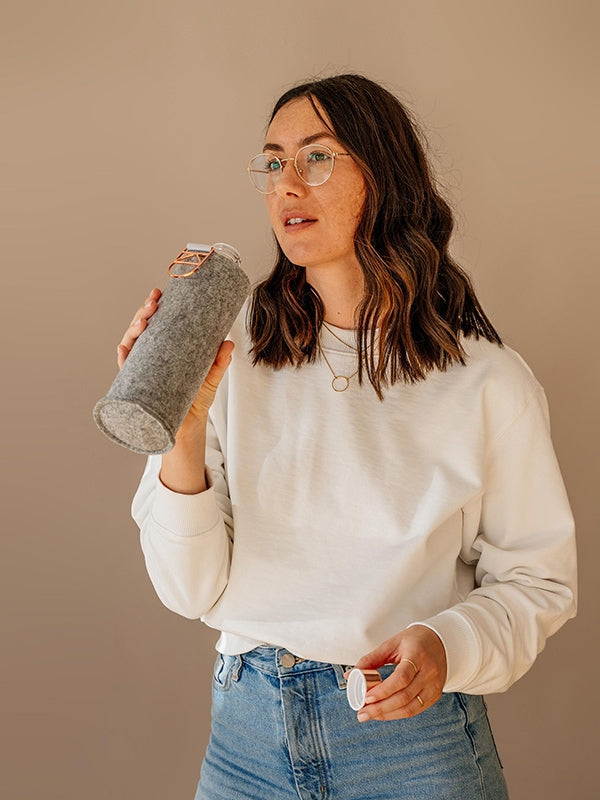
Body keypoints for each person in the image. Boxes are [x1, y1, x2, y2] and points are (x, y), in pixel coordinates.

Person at [119, 74, 577, 799]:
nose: (286, 183)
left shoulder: (487, 382)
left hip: (410, 748)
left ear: (384, 175)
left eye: (317, 157)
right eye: (274, 161)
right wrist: (184, 428)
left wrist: (448, 646)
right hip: (245, 742)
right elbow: (188, 589)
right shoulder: (224, 351)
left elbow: (537, 582)